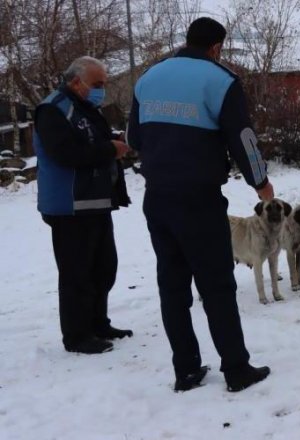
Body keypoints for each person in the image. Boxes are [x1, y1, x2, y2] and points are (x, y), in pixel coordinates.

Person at [127, 17, 273, 393]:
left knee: (172, 286)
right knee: (217, 286)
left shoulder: (148, 78)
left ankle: (187, 370)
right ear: (216, 47)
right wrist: (261, 182)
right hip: (199, 199)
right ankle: (237, 369)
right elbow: (242, 137)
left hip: (157, 197)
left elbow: (133, 137)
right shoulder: (221, 81)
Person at [34, 56, 133, 355]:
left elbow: (94, 142)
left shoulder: (86, 108)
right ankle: (77, 335)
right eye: (98, 84)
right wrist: (108, 149)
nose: (102, 89)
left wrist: (113, 143)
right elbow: (64, 153)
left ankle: (98, 323)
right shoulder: (53, 109)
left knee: (104, 267)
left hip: (95, 201)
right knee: (77, 272)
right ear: (76, 82)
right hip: (69, 204)